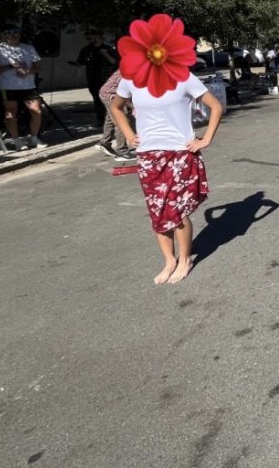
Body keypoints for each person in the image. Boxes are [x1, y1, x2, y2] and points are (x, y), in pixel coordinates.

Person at [110, 18, 224, 284]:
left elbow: (215, 106)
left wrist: (205, 139)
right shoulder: (131, 78)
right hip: (148, 155)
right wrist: (128, 133)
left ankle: (184, 260)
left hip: (179, 154)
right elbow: (116, 107)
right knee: (158, 212)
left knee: (178, 212)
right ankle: (169, 260)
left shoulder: (183, 77)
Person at [0, 25, 46, 150]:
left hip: (28, 86)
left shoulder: (28, 48)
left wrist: (28, 71)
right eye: (10, 33)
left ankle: (33, 138)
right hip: (9, 87)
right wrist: (10, 67)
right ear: (5, 35)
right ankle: (17, 141)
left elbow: (38, 66)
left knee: (37, 111)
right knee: (10, 114)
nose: (14, 35)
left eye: (16, 32)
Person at [69, 28, 117, 124]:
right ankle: (101, 120)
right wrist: (75, 64)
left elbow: (114, 62)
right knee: (97, 100)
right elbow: (81, 62)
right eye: (88, 38)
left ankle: (113, 120)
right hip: (92, 79)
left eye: (90, 37)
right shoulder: (86, 49)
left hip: (106, 79)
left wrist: (106, 54)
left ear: (98, 36)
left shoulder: (108, 48)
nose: (89, 40)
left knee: (108, 100)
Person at [97, 69, 134, 160]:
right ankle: (122, 152)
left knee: (110, 118)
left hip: (105, 92)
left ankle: (105, 143)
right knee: (121, 120)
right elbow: (124, 93)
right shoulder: (130, 71)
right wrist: (133, 107)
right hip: (110, 94)